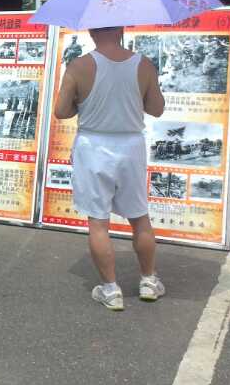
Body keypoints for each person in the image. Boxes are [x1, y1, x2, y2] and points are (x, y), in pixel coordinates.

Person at [54, 26, 166, 311]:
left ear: (92, 31)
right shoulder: (144, 65)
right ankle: (149, 281)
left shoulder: (79, 66)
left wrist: (83, 103)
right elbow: (156, 108)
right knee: (139, 217)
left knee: (98, 221)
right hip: (130, 146)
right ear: (122, 29)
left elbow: (62, 111)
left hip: (93, 146)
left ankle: (111, 290)